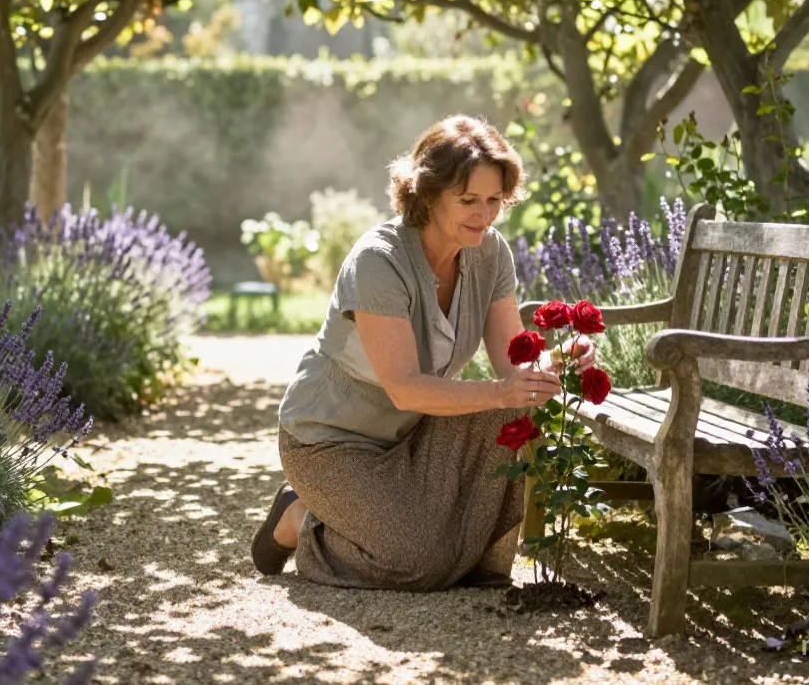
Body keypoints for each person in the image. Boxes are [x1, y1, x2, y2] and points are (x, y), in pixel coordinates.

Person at [250, 115, 595, 591]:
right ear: (427, 194)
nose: (484, 214)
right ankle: (301, 517)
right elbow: (406, 388)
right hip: (329, 440)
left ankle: (473, 564)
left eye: (494, 200)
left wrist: (557, 363)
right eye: (469, 200)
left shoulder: (490, 253)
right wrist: (502, 391)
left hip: (411, 431)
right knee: (416, 560)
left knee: (509, 413)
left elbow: (513, 367)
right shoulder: (378, 261)